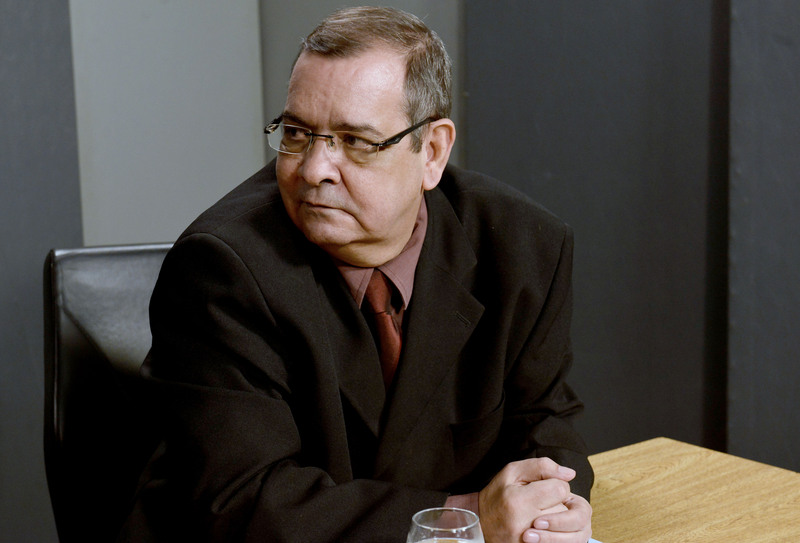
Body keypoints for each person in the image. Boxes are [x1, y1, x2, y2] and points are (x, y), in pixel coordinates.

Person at [119, 6, 593, 543]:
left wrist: (550, 509)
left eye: (355, 141)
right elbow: (247, 503)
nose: (314, 169)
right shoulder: (220, 268)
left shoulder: (524, 245)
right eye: (297, 132)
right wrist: (463, 521)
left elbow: (544, 420)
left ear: (432, 151)